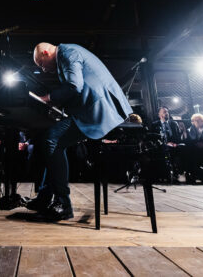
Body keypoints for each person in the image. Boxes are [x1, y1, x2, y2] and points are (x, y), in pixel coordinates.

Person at [26, 42, 132, 221]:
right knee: (51, 142)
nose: (43, 70)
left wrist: (48, 98)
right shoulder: (69, 52)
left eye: (41, 64)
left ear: (46, 52)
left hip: (101, 110)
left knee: (51, 140)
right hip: (95, 108)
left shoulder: (67, 53)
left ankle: (63, 205)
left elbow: (74, 86)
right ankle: (44, 199)